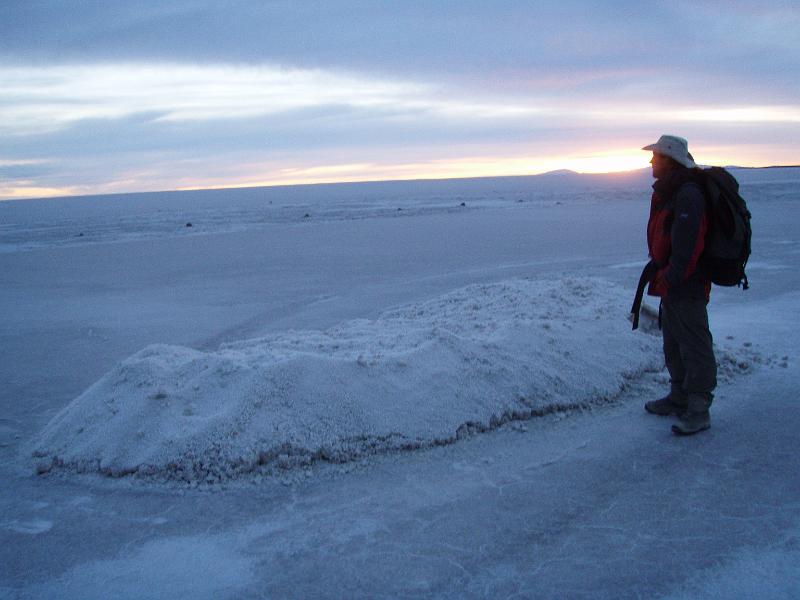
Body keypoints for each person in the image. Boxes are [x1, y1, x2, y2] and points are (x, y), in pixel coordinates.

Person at [640, 135, 717, 435]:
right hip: (672, 280)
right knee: (673, 340)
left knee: (694, 343)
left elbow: (689, 245)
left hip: (687, 282)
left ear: (670, 161)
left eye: (657, 157)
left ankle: (698, 409)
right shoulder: (671, 191)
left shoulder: (688, 195)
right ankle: (679, 396)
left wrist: (672, 276)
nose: (651, 161)